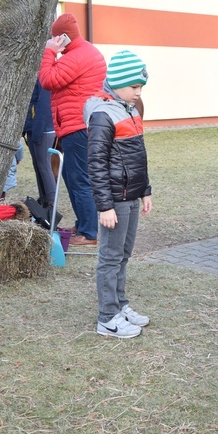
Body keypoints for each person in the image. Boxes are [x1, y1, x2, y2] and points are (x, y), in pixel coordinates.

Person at [84, 50, 152, 339]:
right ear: (118, 83)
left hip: (131, 197)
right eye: (134, 87)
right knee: (110, 258)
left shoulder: (129, 109)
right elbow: (96, 163)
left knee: (123, 255)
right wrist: (105, 206)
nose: (138, 93)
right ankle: (107, 317)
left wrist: (145, 190)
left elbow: (139, 155)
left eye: (141, 87)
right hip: (115, 200)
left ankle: (121, 305)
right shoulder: (102, 114)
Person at [38, 13, 106, 246]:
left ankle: (89, 233)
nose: (52, 41)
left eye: (55, 37)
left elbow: (48, 80)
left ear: (64, 37)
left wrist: (49, 52)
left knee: (79, 180)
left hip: (77, 126)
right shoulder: (83, 51)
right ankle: (84, 224)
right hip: (78, 125)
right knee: (71, 176)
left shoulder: (76, 56)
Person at [23, 80, 57, 208]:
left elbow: (43, 106)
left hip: (43, 128)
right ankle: (43, 199)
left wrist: (38, 130)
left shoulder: (45, 77)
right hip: (34, 127)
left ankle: (51, 204)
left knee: (44, 166)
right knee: (37, 166)